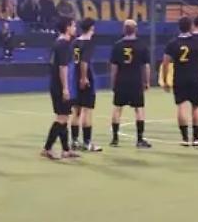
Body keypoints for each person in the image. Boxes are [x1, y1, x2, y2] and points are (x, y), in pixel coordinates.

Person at [162, 15, 198, 146]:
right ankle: (196, 137)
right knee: (196, 106)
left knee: (181, 106)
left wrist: (165, 80)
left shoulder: (172, 43)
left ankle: (184, 138)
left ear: (179, 27)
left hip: (180, 78)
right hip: (195, 78)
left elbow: (165, 63)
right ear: (191, 26)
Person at [108, 19, 151, 148]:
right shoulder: (142, 45)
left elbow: (114, 67)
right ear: (136, 29)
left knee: (117, 108)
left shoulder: (117, 45)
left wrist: (113, 82)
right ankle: (139, 139)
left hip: (121, 80)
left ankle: (115, 139)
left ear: (124, 30)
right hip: (135, 81)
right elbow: (146, 66)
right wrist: (146, 81)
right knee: (139, 109)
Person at [41, 16, 80, 160]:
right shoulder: (63, 44)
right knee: (61, 118)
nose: (75, 28)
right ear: (67, 27)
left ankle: (66, 150)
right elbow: (62, 67)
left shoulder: (58, 43)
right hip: (60, 85)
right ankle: (47, 148)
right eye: (73, 26)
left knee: (64, 117)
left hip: (56, 84)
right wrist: (65, 88)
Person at [70, 17, 101, 152]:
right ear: (92, 28)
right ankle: (87, 143)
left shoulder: (75, 42)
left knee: (76, 111)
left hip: (74, 77)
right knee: (87, 110)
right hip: (85, 78)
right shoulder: (89, 43)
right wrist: (84, 78)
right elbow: (84, 62)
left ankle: (75, 141)